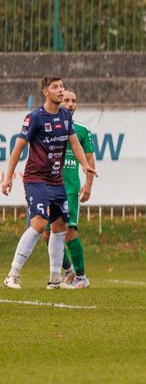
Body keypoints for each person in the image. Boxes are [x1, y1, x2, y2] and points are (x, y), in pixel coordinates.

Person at [3, 77, 97, 290]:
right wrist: (8, 176)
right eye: (55, 87)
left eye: (62, 86)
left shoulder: (65, 116)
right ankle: (13, 275)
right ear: (45, 91)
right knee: (38, 224)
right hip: (36, 179)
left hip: (56, 180)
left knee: (60, 227)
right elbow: (18, 148)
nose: (60, 90)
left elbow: (74, 141)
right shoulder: (35, 117)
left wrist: (84, 164)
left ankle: (55, 279)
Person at [57, 88, 96, 289]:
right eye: (67, 100)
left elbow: (89, 158)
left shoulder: (81, 130)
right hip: (49, 188)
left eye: (74, 101)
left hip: (70, 189)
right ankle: (69, 270)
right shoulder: (49, 127)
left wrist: (88, 184)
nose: (71, 104)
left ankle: (81, 277)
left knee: (69, 232)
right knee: (47, 236)